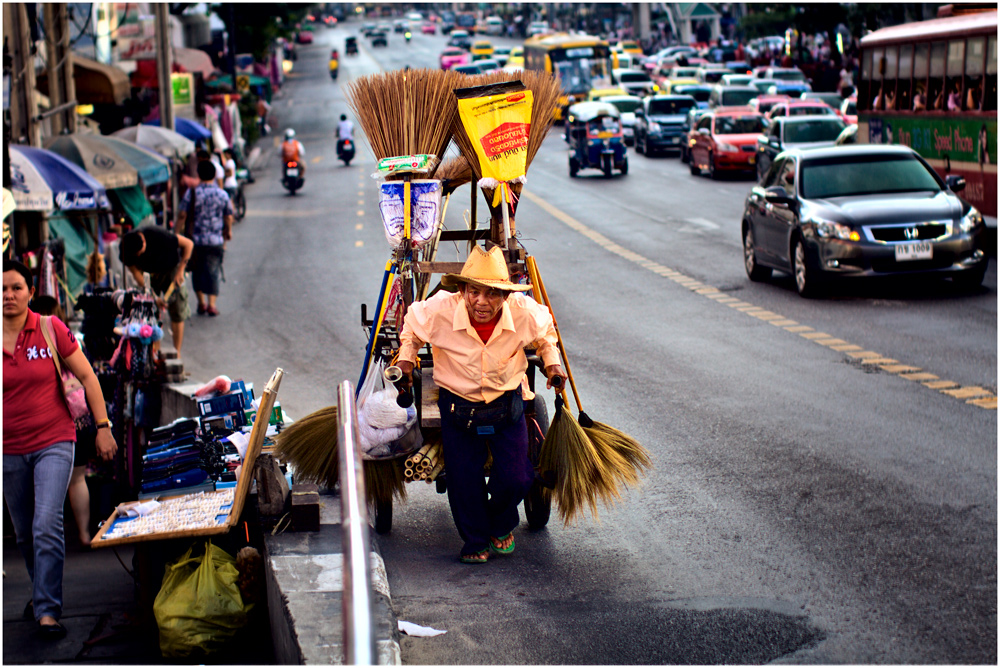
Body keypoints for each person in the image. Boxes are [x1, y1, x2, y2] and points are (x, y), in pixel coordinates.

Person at [396, 246, 567, 564]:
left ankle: (501, 526)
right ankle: (475, 541)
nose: (481, 301)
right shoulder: (439, 310)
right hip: (456, 408)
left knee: (518, 477)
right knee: (463, 480)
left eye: (492, 293)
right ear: (461, 290)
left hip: (506, 405)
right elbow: (411, 330)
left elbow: (546, 334)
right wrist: (406, 360)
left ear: (506, 295)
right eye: (474, 291)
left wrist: (552, 363)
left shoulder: (524, 311)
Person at [3, 259, 117, 640]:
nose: (9, 295)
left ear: (31, 292)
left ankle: (48, 610)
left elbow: (87, 375)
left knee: (46, 521)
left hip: (54, 439)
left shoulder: (50, 328)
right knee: (23, 534)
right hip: (8, 448)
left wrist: (103, 428)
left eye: (16, 287)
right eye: (2, 289)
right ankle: (40, 595)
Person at [30, 295, 96, 547]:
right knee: (78, 479)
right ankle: (84, 534)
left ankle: (48, 538)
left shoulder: (31, 344)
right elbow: (87, 374)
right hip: (78, 418)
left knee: (44, 484)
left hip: (47, 421)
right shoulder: (70, 338)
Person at [119, 225, 194, 352]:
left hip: (171, 269)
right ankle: (155, 352)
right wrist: (153, 296)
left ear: (144, 242)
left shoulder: (159, 235)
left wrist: (181, 270)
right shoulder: (127, 248)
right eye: (136, 255)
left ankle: (177, 352)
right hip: (149, 275)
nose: (138, 256)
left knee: (177, 309)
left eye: (139, 253)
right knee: (150, 311)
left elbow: (188, 244)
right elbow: (137, 275)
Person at [176, 160, 234, 317]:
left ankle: (201, 303)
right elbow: (228, 216)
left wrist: (176, 234)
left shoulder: (192, 193)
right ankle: (212, 305)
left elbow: (182, 215)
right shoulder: (222, 194)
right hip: (215, 241)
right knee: (213, 271)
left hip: (195, 242)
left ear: (199, 175)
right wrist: (228, 231)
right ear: (215, 175)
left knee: (197, 271)